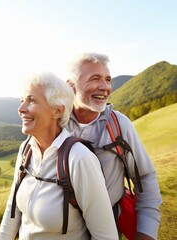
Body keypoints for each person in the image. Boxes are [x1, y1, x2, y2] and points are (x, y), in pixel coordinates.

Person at [0, 72, 118, 240]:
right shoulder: (26, 149)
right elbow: (12, 211)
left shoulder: (79, 158)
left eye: (31, 100)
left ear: (57, 111)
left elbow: (106, 236)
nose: (21, 109)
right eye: (21, 100)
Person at [66, 53, 162, 240]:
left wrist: (146, 232)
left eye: (108, 80)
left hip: (108, 231)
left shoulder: (120, 125)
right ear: (71, 86)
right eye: (95, 79)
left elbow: (145, 177)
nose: (105, 87)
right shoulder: (55, 124)